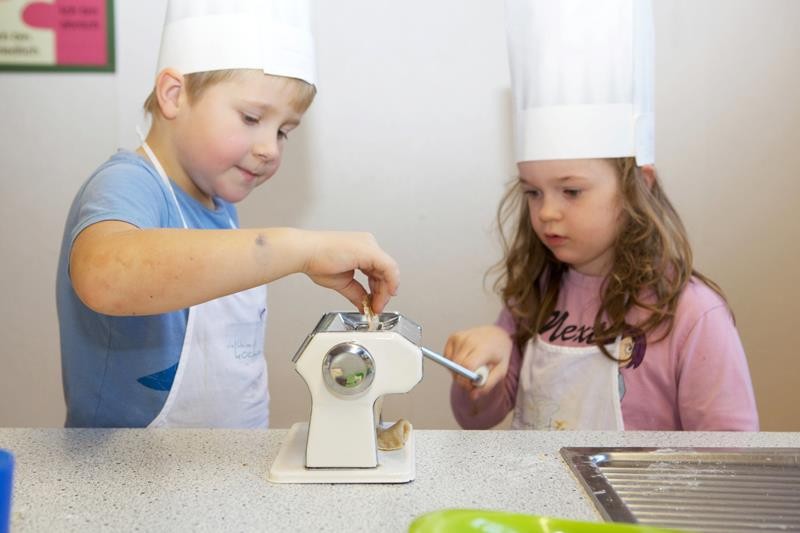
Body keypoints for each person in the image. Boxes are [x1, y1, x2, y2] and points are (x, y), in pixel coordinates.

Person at [56, 0, 399, 429]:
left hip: (212, 474)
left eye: (283, 132)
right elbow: (105, 275)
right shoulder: (130, 183)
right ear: (174, 95)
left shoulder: (219, 208)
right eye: (252, 117)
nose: (270, 148)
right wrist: (299, 248)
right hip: (128, 481)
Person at [445, 0, 758, 431]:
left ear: (638, 185)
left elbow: (732, 454)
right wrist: (476, 375)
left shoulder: (691, 314)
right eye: (533, 192)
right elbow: (478, 419)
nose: (547, 213)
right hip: (531, 501)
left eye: (571, 191)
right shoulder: (532, 296)